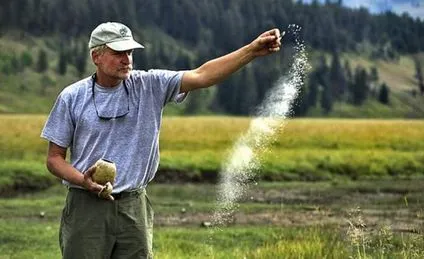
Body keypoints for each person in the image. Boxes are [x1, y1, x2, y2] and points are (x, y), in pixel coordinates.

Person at [41, 21, 281, 259]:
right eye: (118, 53)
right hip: (86, 206)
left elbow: (202, 75)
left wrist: (251, 51)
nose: (127, 59)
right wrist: (83, 181)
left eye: (130, 52)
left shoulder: (150, 85)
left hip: (134, 205)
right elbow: (54, 159)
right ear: (97, 56)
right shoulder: (72, 97)